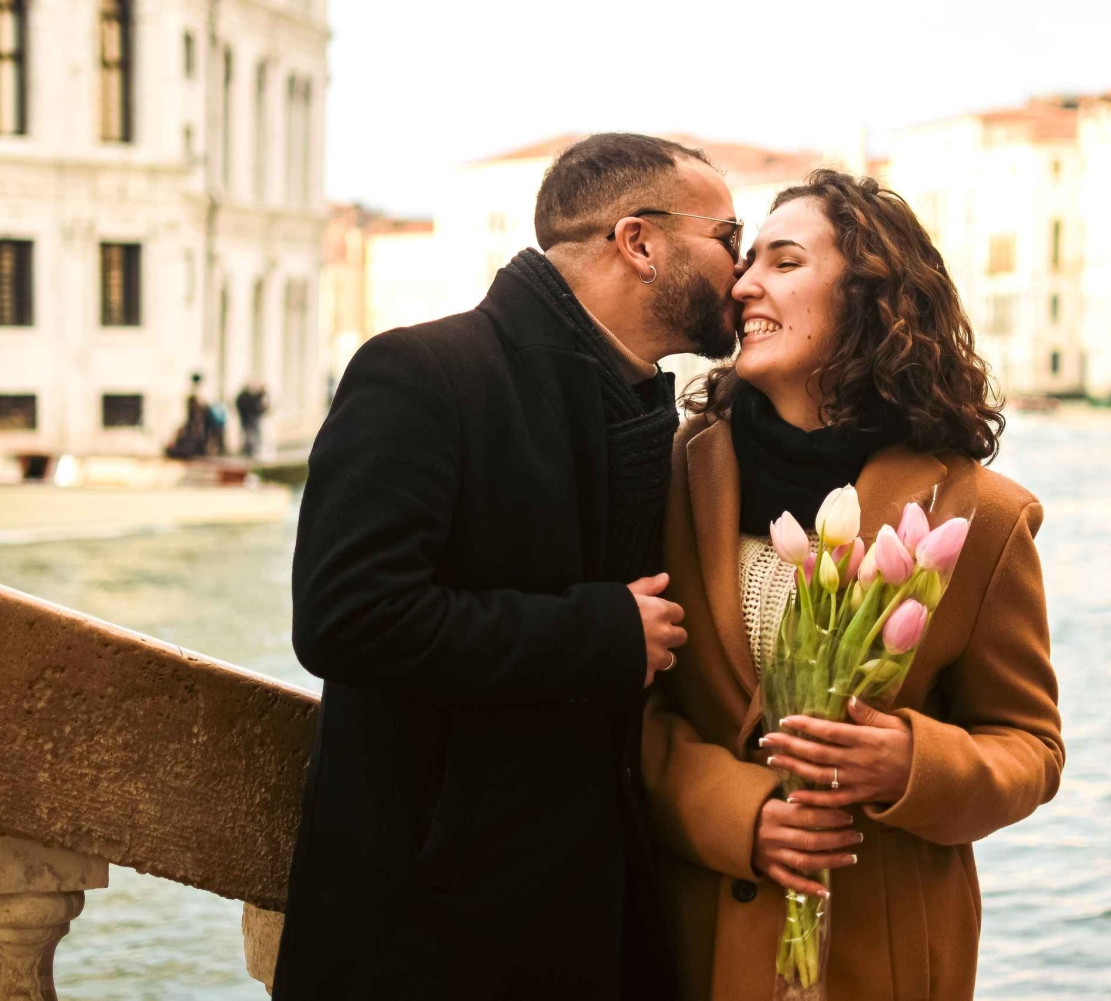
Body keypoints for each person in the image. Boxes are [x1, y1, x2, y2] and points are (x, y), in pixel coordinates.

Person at [274, 134, 746, 1000]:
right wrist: (600, 631)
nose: (743, 270)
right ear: (638, 242)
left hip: (592, 920)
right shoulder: (420, 372)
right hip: (430, 934)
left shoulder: (654, 414)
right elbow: (346, 615)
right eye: (729, 236)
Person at [642, 171, 1065, 1000]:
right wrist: (744, 814)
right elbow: (621, 708)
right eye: (747, 261)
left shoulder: (982, 518)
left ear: (870, 300)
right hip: (688, 936)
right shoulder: (667, 475)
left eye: (785, 261)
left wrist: (913, 761)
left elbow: (1032, 750)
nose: (744, 283)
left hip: (879, 952)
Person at [235, 382, 269, 458]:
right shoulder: (247, 396)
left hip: (250, 418)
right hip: (249, 418)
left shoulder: (253, 396)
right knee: (251, 434)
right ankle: (250, 449)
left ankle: (252, 449)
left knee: (251, 434)